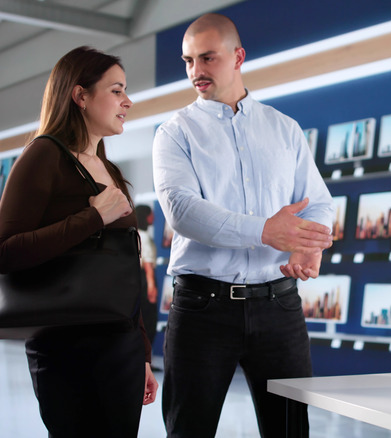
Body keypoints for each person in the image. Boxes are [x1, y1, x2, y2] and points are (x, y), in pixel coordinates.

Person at [152, 13, 334, 438]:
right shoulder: (174, 133)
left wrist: (311, 244)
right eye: (188, 61)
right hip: (202, 309)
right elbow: (181, 210)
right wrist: (265, 231)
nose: (196, 71)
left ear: (238, 56)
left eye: (207, 58)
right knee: (188, 431)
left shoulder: (284, 129)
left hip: (280, 307)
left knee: (290, 430)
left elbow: (319, 203)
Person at [0, 46, 158, 436]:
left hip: (120, 346)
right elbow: (5, 251)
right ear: (80, 96)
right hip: (64, 344)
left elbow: (125, 269)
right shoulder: (43, 154)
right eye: (117, 90)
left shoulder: (110, 170)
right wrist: (92, 217)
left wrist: (142, 353)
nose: (128, 101)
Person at [136, 204, 159, 351]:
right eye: (151, 214)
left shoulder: (135, 234)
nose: (153, 217)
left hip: (136, 279)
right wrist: (151, 286)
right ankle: (145, 359)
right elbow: (148, 264)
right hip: (145, 279)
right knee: (149, 319)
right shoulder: (144, 236)